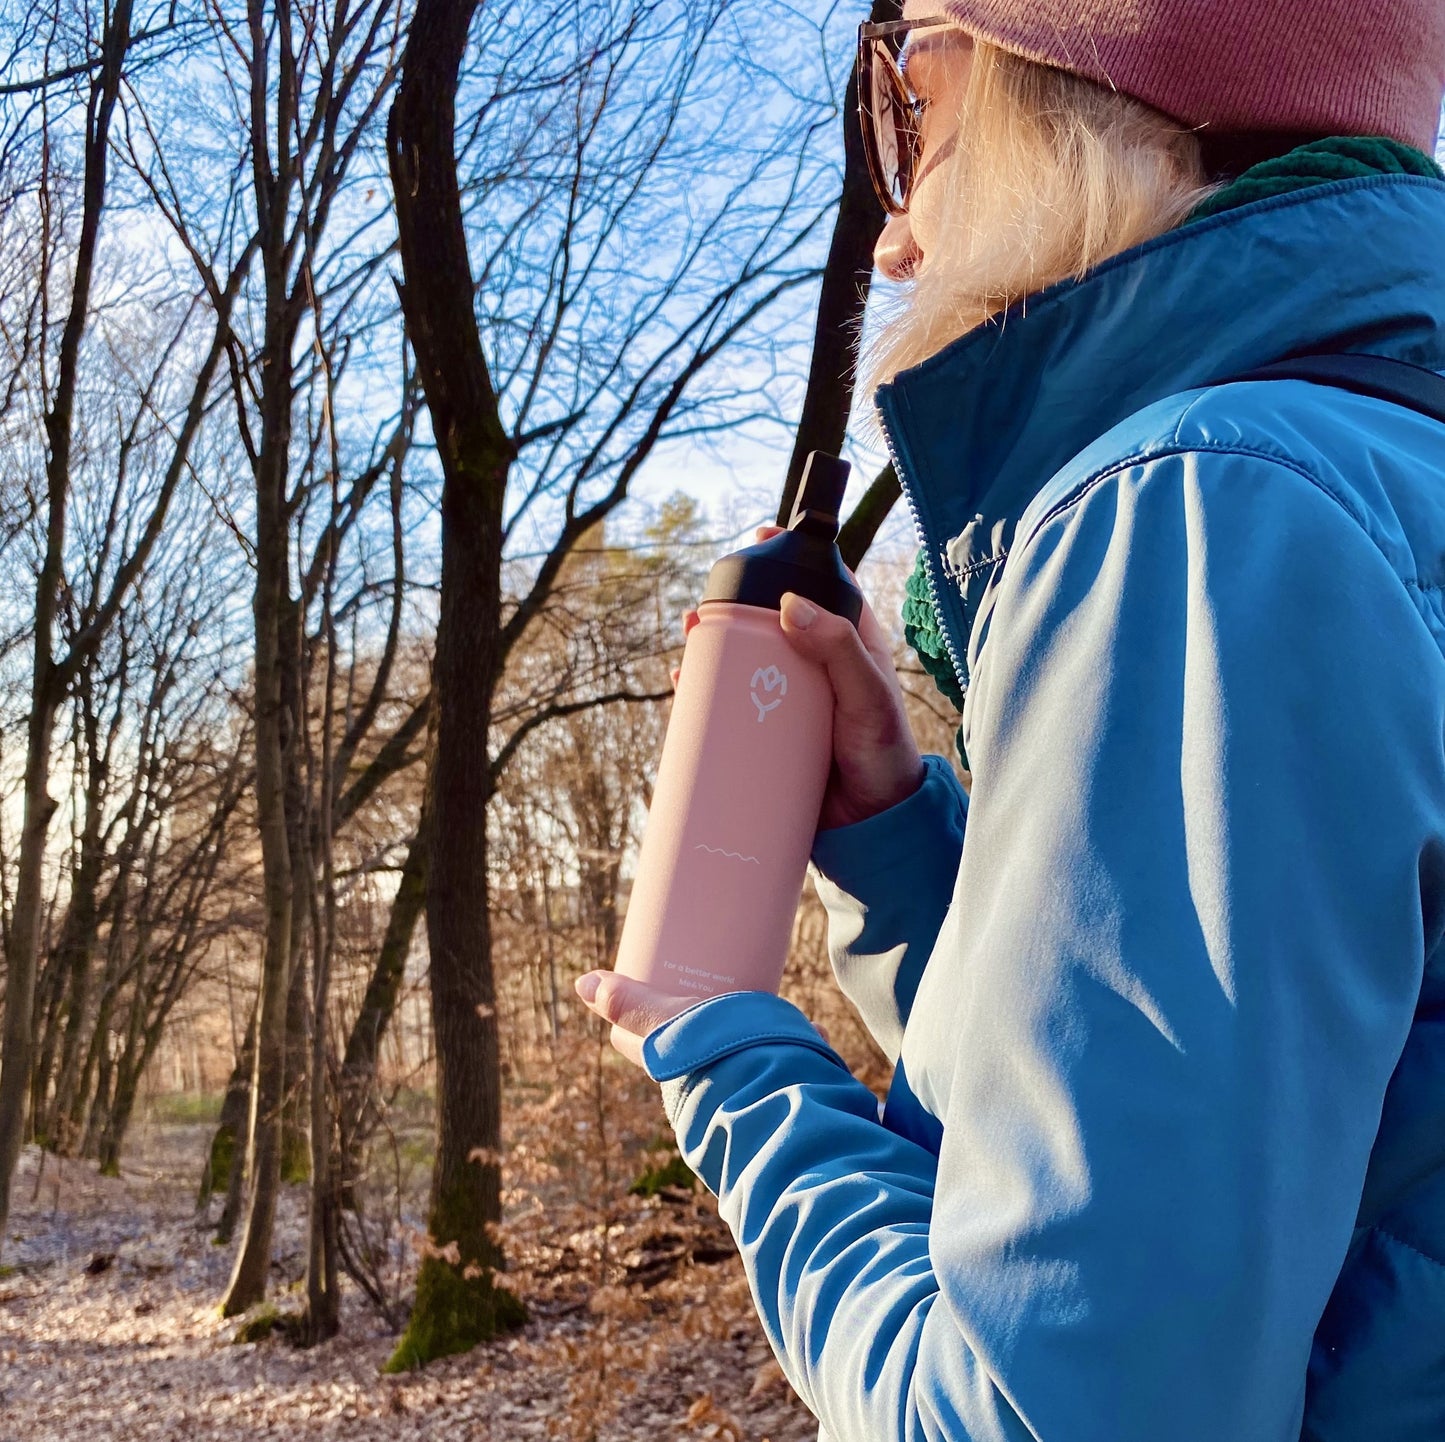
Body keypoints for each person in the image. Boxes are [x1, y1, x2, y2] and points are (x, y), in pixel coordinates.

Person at [576, 1, 1445, 1436]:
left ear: (1080, 94)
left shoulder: (1196, 515)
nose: (897, 231)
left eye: (911, 96)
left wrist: (727, 1064)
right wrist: (903, 845)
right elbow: (1268, 1125)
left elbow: (1046, 1409)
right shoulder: (1368, 480)